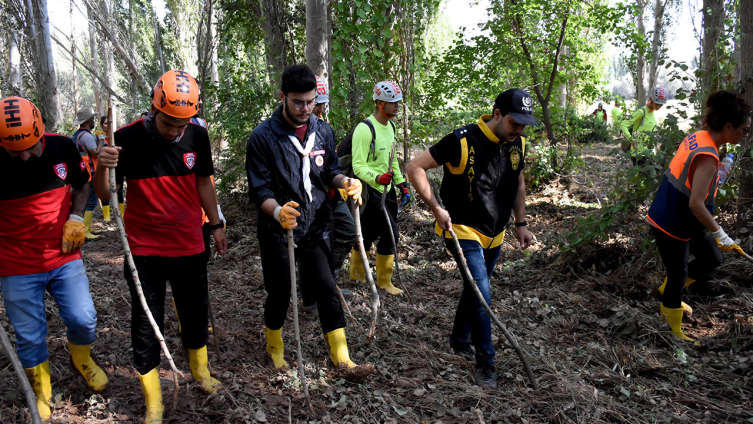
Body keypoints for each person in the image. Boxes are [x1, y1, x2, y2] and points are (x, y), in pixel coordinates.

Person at [94, 70, 228, 423]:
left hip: (188, 244)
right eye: (169, 123)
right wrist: (102, 165)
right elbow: (105, 195)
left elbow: (204, 183)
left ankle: (200, 370)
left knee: (195, 310)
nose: (175, 131)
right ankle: (153, 398)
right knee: (146, 320)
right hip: (144, 250)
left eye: (182, 124)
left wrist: (215, 225)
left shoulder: (197, 136)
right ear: (154, 108)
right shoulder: (125, 139)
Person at [245, 64, 372, 380]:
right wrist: (277, 211)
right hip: (278, 228)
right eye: (298, 102)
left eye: (311, 101)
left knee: (327, 287)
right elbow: (259, 188)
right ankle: (275, 349)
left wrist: (346, 182)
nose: (305, 109)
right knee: (280, 291)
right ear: (283, 97)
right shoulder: (262, 137)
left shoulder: (323, 131)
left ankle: (341, 357)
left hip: (317, 224)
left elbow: (328, 171)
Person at [406, 88, 535, 389]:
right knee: (482, 293)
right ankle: (485, 363)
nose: (519, 129)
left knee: (476, 289)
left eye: (524, 124)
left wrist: (521, 222)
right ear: (498, 114)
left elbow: (518, 181)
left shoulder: (518, 144)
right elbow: (415, 167)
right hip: (463, 228)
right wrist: (436, 209)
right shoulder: (462, 140)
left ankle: (459, 339)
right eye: (514, 122)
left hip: (496, 232)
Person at [0, 97, 108, 420]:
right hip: (16, 264)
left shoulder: (62, 147)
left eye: (30, 147)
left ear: (41, 130)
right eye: (13, 150)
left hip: (63, 255)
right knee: (30, 334)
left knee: (84, 318)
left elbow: (82, 186)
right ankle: (42, 391)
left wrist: (77, 217)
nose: (23, 156)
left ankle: (81, 358)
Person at [646, 90, 751, 341]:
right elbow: (696, 203)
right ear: (728, 127)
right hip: (672, 220)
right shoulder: (708, 156)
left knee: (711, 257)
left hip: (680, 216)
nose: (746, 135)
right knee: (678, 274)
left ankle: (666, 294)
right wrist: (720, 233)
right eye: (744, 130)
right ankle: (672, 327)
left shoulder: (701, 137)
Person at [348, 80, 410, 296]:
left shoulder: (391, 126)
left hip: (387, 189)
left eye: (398, 103)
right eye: (392, 103)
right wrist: (377, 177)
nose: (396, 106)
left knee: (370, 232)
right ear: (380, 103)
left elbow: (391, 160)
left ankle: (358, 275)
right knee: (391, 233)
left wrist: (401, 183)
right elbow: (358, 166)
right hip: (369, 190)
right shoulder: (364, 129)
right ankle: (383, 281)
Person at [72, 108, 106, 239]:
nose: (93, 121)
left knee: (87, 200)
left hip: (80, 172)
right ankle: (85, 230)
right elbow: (96, 152)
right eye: (92, 119)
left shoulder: (77, 135)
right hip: (88, 173)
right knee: (90, 201)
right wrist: (101, 139)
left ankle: (88, 228)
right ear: (87, 121)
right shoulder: (86, 136)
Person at [621, 86, 668, 165]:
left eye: (661, 105)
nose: (659, 107)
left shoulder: (655, 113)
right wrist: (631, 139)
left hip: (650, 153)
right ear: (651, 99)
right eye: (657, 104)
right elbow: (624, 125)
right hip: (638, 153)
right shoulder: (641, 112)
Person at [95, 115, 125, 220]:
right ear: (102, 125)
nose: (108, 125)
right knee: (105, 190)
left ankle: (121, 214)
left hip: (116, 167)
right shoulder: (98, 138)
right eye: (106, 123)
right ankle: (107, 216)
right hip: (103, 169)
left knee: (119, 190)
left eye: (110, 123)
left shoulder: (118, 136)